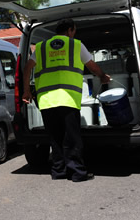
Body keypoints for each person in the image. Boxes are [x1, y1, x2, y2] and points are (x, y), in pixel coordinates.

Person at [22, 19, 110, 182]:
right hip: (67, 98)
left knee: (55, 138)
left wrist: (27, 91)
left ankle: (59, 171)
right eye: (74, 31)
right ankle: (77, 172)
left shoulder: (41, 47)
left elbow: (27, 67)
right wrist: (103, 77)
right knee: (72, 137)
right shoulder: (75, 45)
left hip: (46, 100)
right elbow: (91, 66)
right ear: (70, 30)